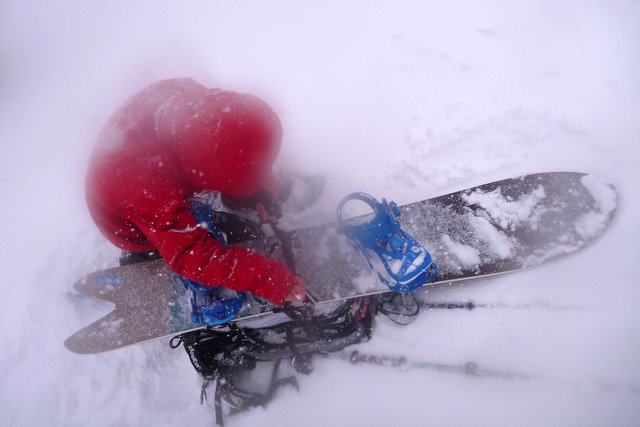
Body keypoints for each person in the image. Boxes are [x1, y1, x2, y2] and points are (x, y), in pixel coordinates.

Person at [86, 77, 305, 305]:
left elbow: (242, 142)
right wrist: (267, 278)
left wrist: (260, 189)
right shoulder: (142, 183)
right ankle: (150, 258)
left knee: (230, 202)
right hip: (132, 225)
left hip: (160, 177)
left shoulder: (192, 100)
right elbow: (195, 257)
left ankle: (231, 198)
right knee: (201, 253)